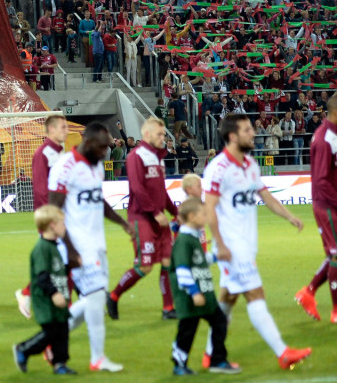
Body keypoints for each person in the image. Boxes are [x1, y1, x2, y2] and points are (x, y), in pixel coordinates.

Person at [201, 115, 311, 371]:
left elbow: (265, 195)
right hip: (231, 246)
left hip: (246, 244)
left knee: (227, 300)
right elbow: (210, 210)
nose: (253, 133)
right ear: (232, 136)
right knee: (255, 293)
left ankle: (210, 354)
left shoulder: (250, 164)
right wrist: (221, 245)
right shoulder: (218, 168)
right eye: (248, 129)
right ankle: (283, 353)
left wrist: (290, 216)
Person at [48, 122, 135, 372]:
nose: (105, 153)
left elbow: (99, 201)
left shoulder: (95, 165)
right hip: (77, 245)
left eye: (108, 148)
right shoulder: (65, 166)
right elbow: (54, 211)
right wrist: (70, 250)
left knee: (94, 301)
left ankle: (50, 342)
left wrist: (121, 223)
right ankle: (97, 358)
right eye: (102, 147)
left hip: (97, 244)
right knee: (96, 300)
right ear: (87, 142)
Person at [107, 117, 179, 320]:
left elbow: (161, 191)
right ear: (147, 134)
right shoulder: (136, 156)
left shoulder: (158, 157)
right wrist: (156, 213)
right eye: (160, 134)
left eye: (164, 134)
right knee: (145, 266)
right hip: (142, 218)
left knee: (167, 261)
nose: (163, 138)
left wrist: (175, 212)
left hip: (158, 218)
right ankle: (113, 297)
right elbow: (138, 188)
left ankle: (168, 308)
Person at [169, 198, 238, 375]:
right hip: (192, 296)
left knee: (220, 321)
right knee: (187, 331)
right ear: (192, 216)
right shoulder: (183, 241)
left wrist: (217, 257)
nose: (207, 217)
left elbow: (199, 259)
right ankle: (179, 364)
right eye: (203, 214)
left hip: (205, 294)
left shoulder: (193, 238)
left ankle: (218, 360)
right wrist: (194, 292)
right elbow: (182, 269)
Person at [11, 205, 74, 375]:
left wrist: (72, 266)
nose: (64, 227)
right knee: (51, 332)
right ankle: (23, 349)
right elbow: (43, 276)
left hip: (59, 296)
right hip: (46, 299)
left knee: (63, 330)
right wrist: (54, 293)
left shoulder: (55, 246)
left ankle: (60, 363)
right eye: (62, 223)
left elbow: (58, 270)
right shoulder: (42, 249)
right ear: (52, 225)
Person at [16, 114, 67, 319]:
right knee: (54, 258)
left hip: (59, 214)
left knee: (60, 258)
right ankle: (27, 294)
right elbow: (40, 189)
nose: (66, 130)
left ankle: (31, 294)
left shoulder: (60, 152)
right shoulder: (43, 153)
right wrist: (51, 217)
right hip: (48, 215)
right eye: (63, 127)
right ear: (51, 130)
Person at [295, 91, 337, 323]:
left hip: (332, 202)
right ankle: (335, 311)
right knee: (336, 254)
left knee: (334, 255)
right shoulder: (324, 138)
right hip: (327, 205)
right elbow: (321, 180)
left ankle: (308, 292)